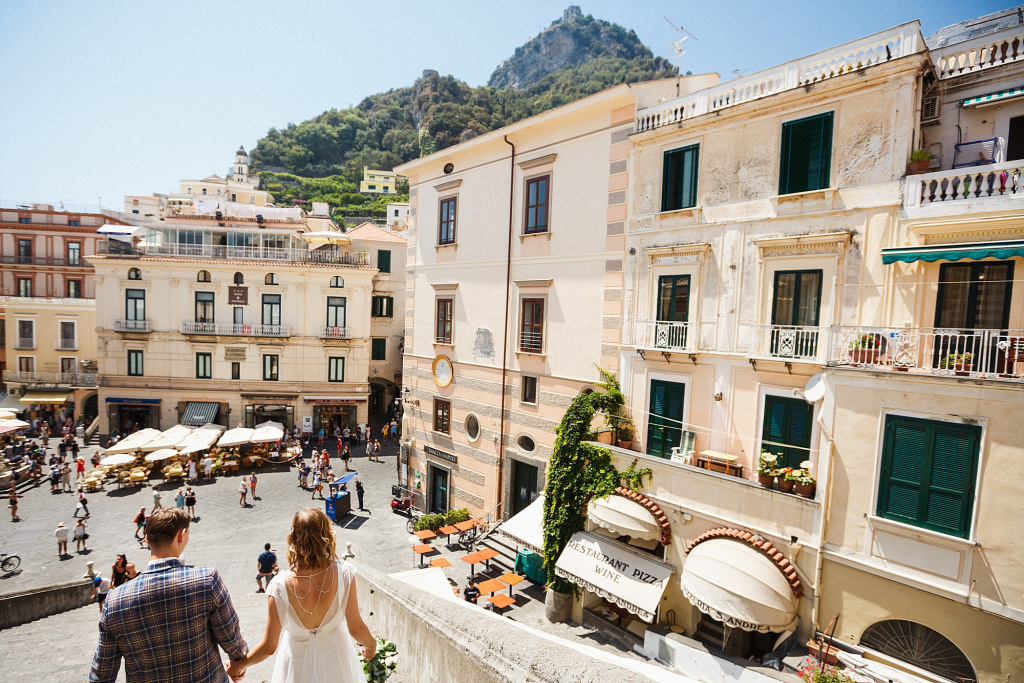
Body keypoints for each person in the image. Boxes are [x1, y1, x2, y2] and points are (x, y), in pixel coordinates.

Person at [90, 508, 249, 683]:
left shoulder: (114, 600)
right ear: (181, 535)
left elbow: (102, 674)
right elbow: (231, 639)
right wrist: (239, 663)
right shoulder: (206, 580)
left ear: (147, 539)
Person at [225, 508, 374, 682]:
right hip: (337, 664)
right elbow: (356, 628)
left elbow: (269, 647)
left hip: (296, 668)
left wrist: (239, 665)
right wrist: (371, 646)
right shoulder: (345, 573)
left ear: (294, 538)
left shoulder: (279, 586)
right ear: (327, 534)